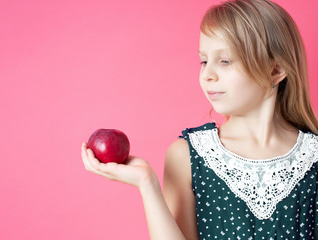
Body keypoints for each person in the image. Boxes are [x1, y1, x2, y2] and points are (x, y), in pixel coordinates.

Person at [81, 0, 318, 239]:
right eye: (204, 61)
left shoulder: (314, 155)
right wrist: (147, 184)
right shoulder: (187, 154)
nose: (207, 74)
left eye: (224, 61)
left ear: (275, 71)